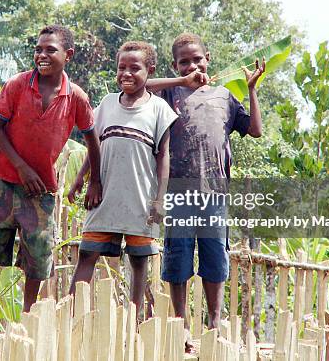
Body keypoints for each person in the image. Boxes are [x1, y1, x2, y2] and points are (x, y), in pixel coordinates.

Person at [0, 25, 102, 319]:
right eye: (38, 49)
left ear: (68, 55)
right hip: (2, 179)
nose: (42, 54)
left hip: (40, 190)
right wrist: (21, 167)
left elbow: (93, 141)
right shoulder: (18, 85)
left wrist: (93, 181)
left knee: (38, 254)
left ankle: (27, 315)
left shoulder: (76, 97)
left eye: (51, 49)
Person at [146, 33, 265, 346]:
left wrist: (251, 89)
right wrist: (180, 80)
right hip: (178, 192)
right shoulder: (168, 96)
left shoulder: (224, 96)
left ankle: (214, 321)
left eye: (197, 59)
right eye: (184, 62)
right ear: (175, 66)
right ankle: (181, 324)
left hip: (214, 191)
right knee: (178, 258)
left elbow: (254, 130)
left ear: (208, 58)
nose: (192, 65)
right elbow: (141, 85)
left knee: (215, 258)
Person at [68, 41, 178, 316]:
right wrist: (84, 179)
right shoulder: (106, 104)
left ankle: (134, 318)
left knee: (139, 261)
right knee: (87, 253)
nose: (126, 74)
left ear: (149, 71)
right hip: (104, 193)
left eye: (135, 68)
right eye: (121, 67)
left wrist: (160, 200)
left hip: (140, 198)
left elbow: (163, 156)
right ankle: (68, 314)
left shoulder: (159, 110)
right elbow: (95, 146)